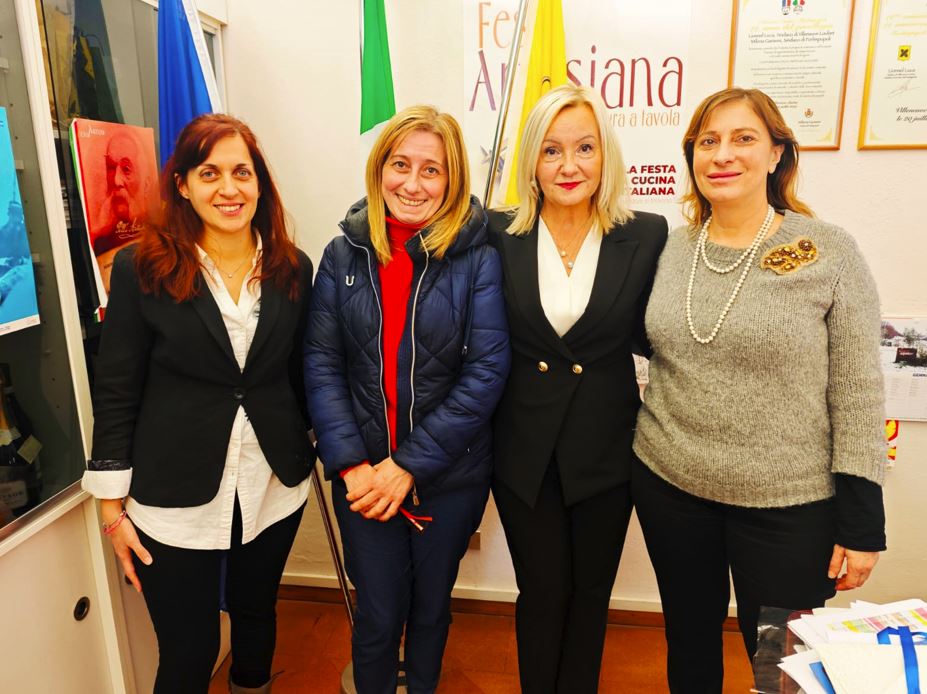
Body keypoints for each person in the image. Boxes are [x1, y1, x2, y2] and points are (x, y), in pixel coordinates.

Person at [631, 87, 886, 693]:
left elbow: (857, 390)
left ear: (776, 154)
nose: (723, 154)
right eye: (708, 141)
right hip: (672, 487)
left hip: (787, 509)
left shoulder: (829, 251)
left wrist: (861, 525)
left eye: (743, 138)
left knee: (778, 664)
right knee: (689, 638)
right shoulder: (671, 248)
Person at [81, 113, 315, 694]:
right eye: (210, 173)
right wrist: (111, 509)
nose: (229, 188)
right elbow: (117, 387)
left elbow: (297, 374)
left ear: (259, 183)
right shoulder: (141, 268)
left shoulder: (291, 267)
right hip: (173, 496)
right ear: (182, 184)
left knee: (256, 618)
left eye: (242, 172)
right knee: (190, 650)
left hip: (270, 485)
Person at [304, 105, 510, 694]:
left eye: (431, 170)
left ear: (452, 180)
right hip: (363, 480)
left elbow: (486, 371)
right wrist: (352, 465)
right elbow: (321, 364)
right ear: (380, 169)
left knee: (429, 609)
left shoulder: (478, 258)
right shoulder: (342, 255)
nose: (413, 184)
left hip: (449, 478)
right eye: (401, 165)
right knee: (377, 614)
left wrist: (409, 466)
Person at [488, 83, 668, 693]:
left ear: (605, 154)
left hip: (607, 449)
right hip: (524, 451)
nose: (569, 166)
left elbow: (659, 333)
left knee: (591, 594)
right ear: (532, 162)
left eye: (584, 148)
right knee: (541, 592)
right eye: (552, 150)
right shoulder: (496, 232)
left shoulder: (646, 234)